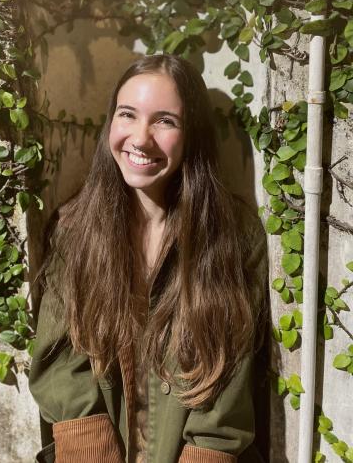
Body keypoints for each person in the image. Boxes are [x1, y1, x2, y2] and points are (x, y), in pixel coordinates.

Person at [29, 53, 268, 463]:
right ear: (110, 123)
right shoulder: (74, 231)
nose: (140, 138)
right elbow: (60, 362)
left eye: (164, 121)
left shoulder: (233, 239)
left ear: (191, 134)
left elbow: (229, 388)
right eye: (127, 115)